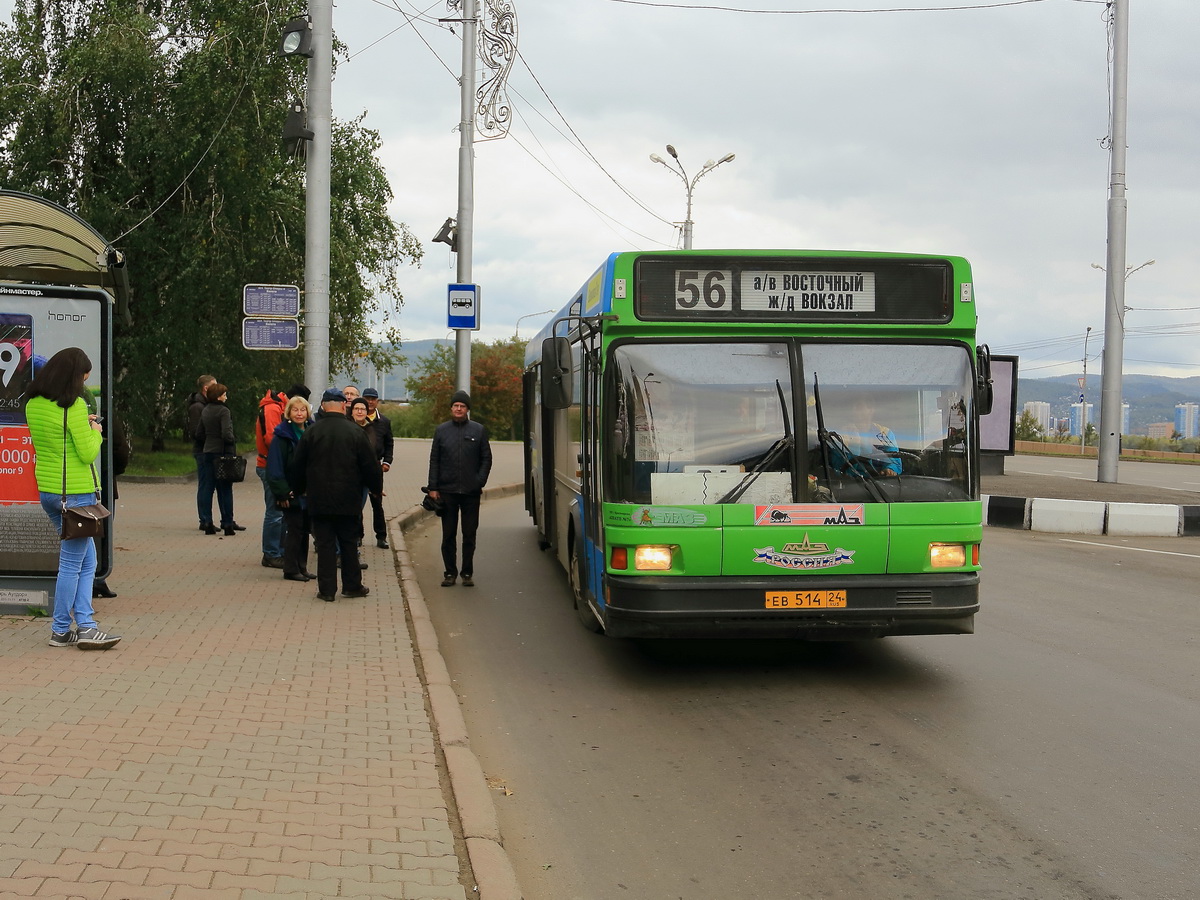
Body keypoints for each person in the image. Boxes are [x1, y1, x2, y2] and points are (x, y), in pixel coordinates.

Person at [26, 347, 121, 649]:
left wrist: (82, 424)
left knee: (88, 559)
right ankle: (68, 629)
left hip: (50, 493)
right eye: (83, 378)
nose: (83, 383)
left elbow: (58, 439)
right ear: (72, 378)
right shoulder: (75, 407)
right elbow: (88, 451)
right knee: (71, 564)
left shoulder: (34, 404)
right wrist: (95, 429)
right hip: (76, 495)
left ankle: (79, 625)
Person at [289, 389, 383, 602]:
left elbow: (297, 465)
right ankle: (352, 586)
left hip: (318, 499)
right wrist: (375, 488)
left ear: (322, 406)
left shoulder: (311, 432)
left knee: (325, 545)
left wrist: (298, 488)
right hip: (348, 498)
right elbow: (370, 466)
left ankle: (327, 590)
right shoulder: (355, 432)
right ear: (344, 406)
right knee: (349, 543)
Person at [427, 390, 492, 587]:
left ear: (467, 410)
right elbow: (434, 460)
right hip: (447, 492)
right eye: (455, 405)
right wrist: (433, 487)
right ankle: (450, 572)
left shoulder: (478, 430)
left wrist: (478, 481)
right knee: (448, 535)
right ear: (451, 408)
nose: (458, 408)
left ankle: (467, 572)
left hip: (471, 493)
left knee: (469, 534)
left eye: (462, 406)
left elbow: (486, 458)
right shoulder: (441, 431)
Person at [267, 395, 314, 583]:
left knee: (305, 530)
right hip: (291, 491)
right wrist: (282, 492)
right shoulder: (282, 436)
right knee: (294, 530)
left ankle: (302, 566)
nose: (299, 414)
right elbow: (275, 467)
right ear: (288, 412)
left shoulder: (311, 431)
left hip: (309, 491)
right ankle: (290, 568)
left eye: (302, 410)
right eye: (295, 410)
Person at [197, 382, 244, 535]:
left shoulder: (205, 410)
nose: (226, 397)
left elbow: (199, 433)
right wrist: (232, 439)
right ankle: (227, 523)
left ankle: (207, 522)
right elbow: (226, 433)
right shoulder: (224, 411)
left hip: (208, 451)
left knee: (207, 488)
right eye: (224, 394)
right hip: (223, 452)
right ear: (218, 396)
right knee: (225, 489)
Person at [92, 413, 130, 599]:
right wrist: (112, 471)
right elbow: (121, 448)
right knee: (102, 532)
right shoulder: (105, 412)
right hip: (103, 482)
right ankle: (97, 578)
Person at [254, 387, 288, 569]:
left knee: (279, 512)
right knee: (275, 512)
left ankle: (278, 551)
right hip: (269, 465)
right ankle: (271, 553)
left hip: (270, 464)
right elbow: (271, 438)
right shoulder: (273, 409)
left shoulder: (274, 407)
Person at [829, 395, 902, 477]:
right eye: (851, 407)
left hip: (880, 484)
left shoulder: (884, 434)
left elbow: (894, 460)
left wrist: (890, 469)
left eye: (859, 407)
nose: (853, 411)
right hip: (850, 484)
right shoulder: (839, 435)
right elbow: (839, 468)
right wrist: (854, 445)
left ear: (871, 410)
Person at [362, 387, 394, 549]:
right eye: (367, 398)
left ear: (377, 401)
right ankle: (358, 536)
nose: (370, 402)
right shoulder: (356, 418)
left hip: (376, 467)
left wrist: (387, 462)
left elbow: (389, 443)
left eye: (373, 399)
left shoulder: (384, 421)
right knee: (357, 503)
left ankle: (381, 536)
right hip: (357, 468)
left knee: (377, 502)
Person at [187, 374, 216, 531]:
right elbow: (196, 432)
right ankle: (205, 519)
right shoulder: (197, 407)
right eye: (214, 385)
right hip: (203, 451)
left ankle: (207, 518)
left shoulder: (205, 405)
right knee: (205, 485)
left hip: (208, 449)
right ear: (206, 388)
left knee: (209, 485)